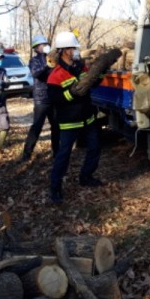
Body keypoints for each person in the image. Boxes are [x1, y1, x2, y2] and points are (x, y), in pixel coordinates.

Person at [46, 31, 104, 205]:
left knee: (95, 147)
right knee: (64, 155)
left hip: (88, 117)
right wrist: (71, 93)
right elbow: (55, 99)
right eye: (72, 48)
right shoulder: (55, 75)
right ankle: (55, 189)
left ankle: (86, 176)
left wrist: (100, 71)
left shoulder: (81, 67)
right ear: (64, 50)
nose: (75, 51)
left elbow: (92, 83)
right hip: (69, 121)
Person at [20, 35, 59, 162]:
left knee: (56, 126)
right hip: (41, 99)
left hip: (53, 97)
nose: (45, 46)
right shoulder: (34, 61)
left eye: (46, 44)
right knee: (37, 126)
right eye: (42, 45)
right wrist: (48, 65)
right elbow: (37, 74)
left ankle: (56, 152)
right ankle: (27, 153)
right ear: (36, 48)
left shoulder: (53, 59)